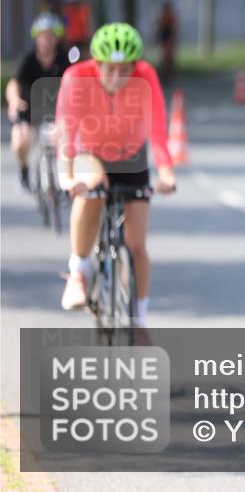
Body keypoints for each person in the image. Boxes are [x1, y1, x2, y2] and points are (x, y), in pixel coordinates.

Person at [56, 22, 176, 330]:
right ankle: (79, 272)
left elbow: (158, 131)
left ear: (135, 65)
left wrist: (166, 174)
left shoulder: (146, 77)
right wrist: (68, 177)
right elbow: (66, 133)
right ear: (95, 63)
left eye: (124, 70)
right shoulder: (76, 78)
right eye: (108, 69)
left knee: (136, 245)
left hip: (131, 155)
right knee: (93, 188)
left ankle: (140, 323)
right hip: (90, 153)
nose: (115, 78)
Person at [6, 12, 72, 190]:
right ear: (37, 37)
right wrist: (14, 101)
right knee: (20, 141)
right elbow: (14, 83)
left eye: (51, 35)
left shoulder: (65, 59)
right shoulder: (27, 60)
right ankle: (24, 168)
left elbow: (77, 82)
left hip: (58, 111)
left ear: (57, 37)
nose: (47, 40)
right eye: (43, 35)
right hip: (30, 110)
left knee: (68, 140)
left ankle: (66, 178)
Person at [155, 0, 178, 87]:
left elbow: (173, 29)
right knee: (165, 58)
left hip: (169, 37)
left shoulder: (170, 16)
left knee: (168, 58)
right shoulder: (164, 16)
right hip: (165, 37)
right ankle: (165, 75)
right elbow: (160, 28)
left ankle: (169, 75)